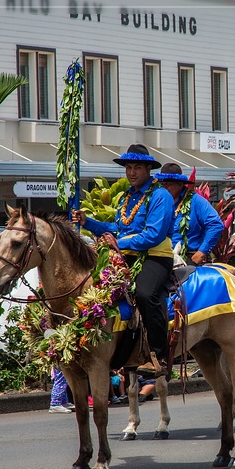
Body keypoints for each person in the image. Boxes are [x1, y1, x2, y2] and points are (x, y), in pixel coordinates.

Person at [72, 144, 174, 378]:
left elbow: (154, 235)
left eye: (137, 167)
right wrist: (89, 223)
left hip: (156, 256)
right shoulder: (128, 197)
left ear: (149, 169)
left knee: (146, 295)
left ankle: (158, 357)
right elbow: (118, 228)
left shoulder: (161, 196)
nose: (131, 172)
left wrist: (119, 244)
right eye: (128, 167)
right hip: (126, 256)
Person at [154, 162, 223, 265]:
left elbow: (215, 224)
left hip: (188, 257)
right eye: (162, 185)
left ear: (180, 184)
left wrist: (201, 252)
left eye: (169, 184)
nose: (165, 189)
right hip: (159, 255)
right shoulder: (157, 202)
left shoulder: (196, 201)